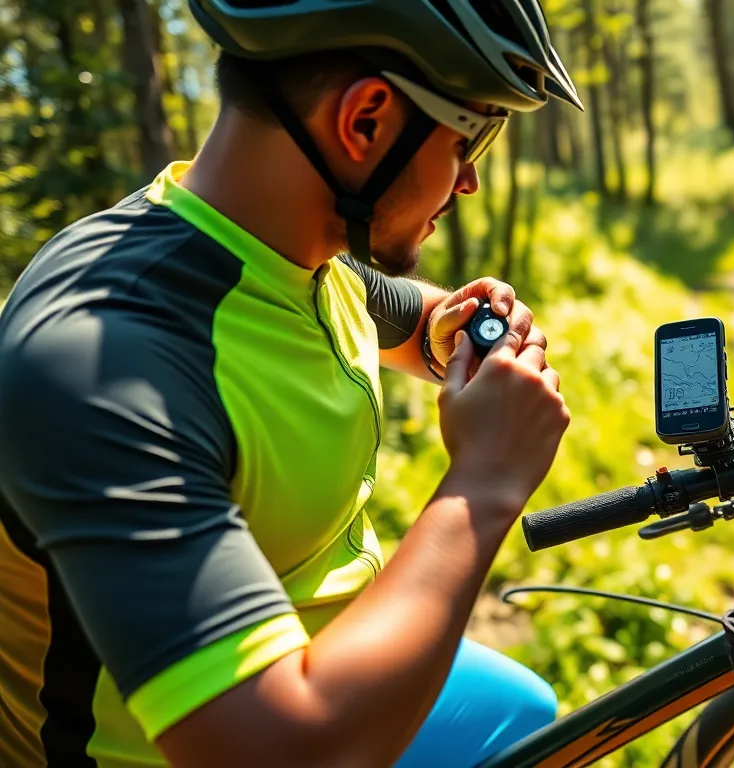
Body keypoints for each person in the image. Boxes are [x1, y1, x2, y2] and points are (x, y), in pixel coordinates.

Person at [0, 1, 584, 766]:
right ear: (366, 121)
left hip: (337, 658)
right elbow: (281, 748)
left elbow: (414, 322)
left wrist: (466, 328)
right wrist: (485, 483)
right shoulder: (107, 361)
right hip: (216, 740)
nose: (470, 179)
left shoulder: (289, 252)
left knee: (526, 713)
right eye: (473, 132)